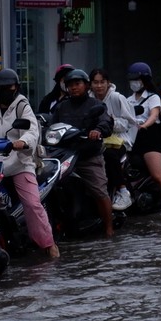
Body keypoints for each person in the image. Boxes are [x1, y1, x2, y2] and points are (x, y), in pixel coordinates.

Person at [0, 68, 58, 258]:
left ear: (16, 88)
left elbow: (31, 131)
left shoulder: (22, 106)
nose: (4, 91)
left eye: (8, 87)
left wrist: (22, 142)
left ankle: (49, 245)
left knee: (32, 203)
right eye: (0, 88)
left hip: (20, 162)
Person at [46, 67, 117, 236]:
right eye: (70, 85)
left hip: (88, 156)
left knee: (99, 190)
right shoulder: (61, 107)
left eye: (77, 84)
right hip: (64, 155)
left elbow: (106, 122)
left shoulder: (96, 105)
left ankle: (109, 228)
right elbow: (51, 127)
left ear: (86, 85)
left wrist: (98, 130)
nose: (74, 87)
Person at [125, 61, 161, 213]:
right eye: (132, 80)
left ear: (145, 80)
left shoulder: (153, 97)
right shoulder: (128, 100)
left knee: (157, 175)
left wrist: (145, 125)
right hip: (133, 138)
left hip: (151, 137)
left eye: (137, 79)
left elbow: (154, 115)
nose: (134, 83)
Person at [90, 66, 138, 211]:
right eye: (95, 82)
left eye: (102, 82)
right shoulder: (89, 100)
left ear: (108, 83)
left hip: (119, 140)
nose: (99, 86)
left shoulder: (117, 98)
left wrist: (110, 123)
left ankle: (123, 191)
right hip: (97, 141)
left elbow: (129, 123)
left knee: (109, 156)